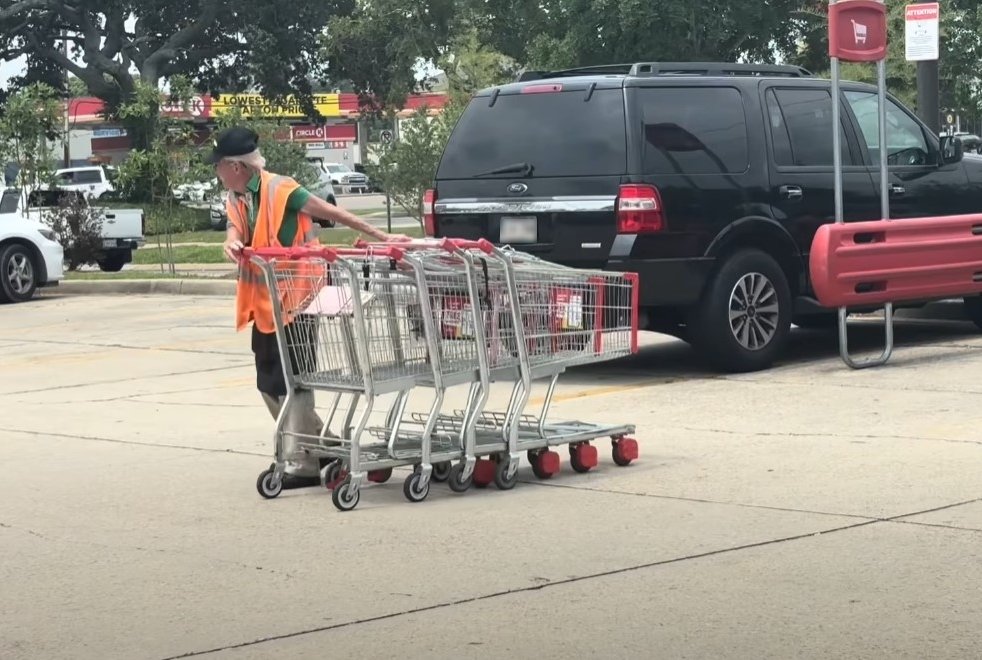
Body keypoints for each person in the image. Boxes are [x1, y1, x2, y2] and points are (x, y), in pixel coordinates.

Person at [207, 126, 408, 489]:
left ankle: (303, 462)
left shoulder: (279, 188)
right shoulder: (237, 197)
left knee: (295, 378)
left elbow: (330, 211)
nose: (216, 172)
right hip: (266, 301)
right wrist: (232, 243)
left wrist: (383, 236)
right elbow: (234, 230)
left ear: (236, 166)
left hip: (299, 295)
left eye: (219, 166)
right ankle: (323, 445)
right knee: (268, 380)